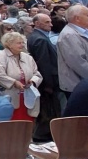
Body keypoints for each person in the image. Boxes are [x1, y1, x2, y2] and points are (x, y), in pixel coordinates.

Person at [0, 32, 43, 121]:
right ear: (9, 44)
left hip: (28, 96)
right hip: (10, 97)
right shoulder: (1, 56)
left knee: (27, 122)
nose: (22, 45)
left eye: (23, 42)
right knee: (13, 124)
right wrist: (14, 82)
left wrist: (33, 81)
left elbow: (37, 73)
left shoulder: (27, 57)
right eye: (19, 43)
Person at [27, 13, 62, 141]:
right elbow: (44, 63)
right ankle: (43, 135)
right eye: (47, 22)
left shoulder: (38, 36)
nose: (51, 24)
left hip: (47, 80)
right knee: (48, 109)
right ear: (37, 23)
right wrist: (48, 84)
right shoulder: (39, 39)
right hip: (47, 81)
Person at [57, 4, 88, 99]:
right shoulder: (69, 35)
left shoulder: (83, 31)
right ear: (77, 18)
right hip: (81, 85)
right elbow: (78, 63)